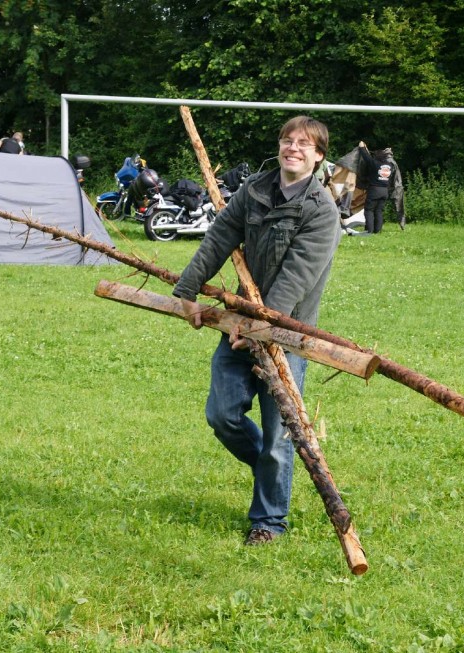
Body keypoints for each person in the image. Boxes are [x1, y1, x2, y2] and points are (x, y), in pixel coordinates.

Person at [172, 116, 341, 546]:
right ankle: (270, 468)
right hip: (236, 326)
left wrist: (260, 327)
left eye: (304, 144)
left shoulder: (321, 210)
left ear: (318, 155)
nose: (293, 148)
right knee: (222, 415)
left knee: (279, 434)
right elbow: (219, 238)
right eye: (288, 140)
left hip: (285, 335)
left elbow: (296, 277)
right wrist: (187, 291)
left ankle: (268, 523)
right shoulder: (255, 190)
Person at [357, 141, 403, 233]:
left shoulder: (374, 163)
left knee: (369, 210)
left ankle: (369, 231)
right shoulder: (390, 165)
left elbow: (365, 156)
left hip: (374, 190)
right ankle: (377, 231)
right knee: (378, 211)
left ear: (377, 157)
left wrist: (362, 146)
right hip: (385, 191)